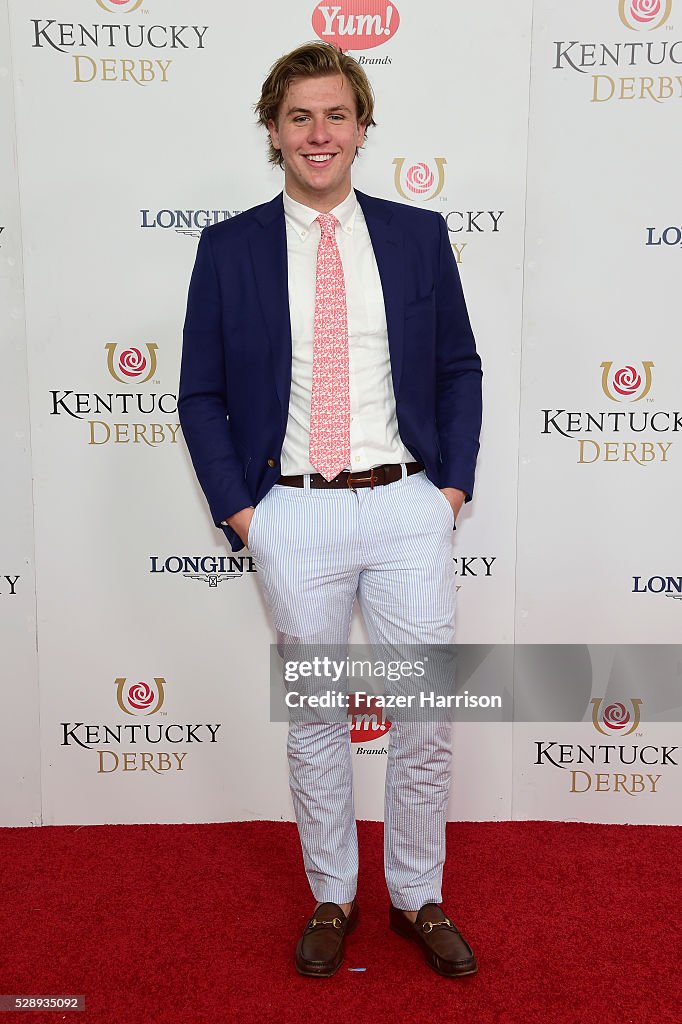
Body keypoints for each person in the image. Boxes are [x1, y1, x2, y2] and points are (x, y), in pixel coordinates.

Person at [178, 41, 483, 978]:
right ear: (274, 130)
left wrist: (451, 490)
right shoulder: (228, 247)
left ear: (362, 127)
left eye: (337, 115)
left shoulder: (416, 235)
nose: (320, 133)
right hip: (291, 513)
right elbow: (199, 395)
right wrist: (244, 513)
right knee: (315, 717)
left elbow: (458, 367)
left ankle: (418, 898)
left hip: (404, 506)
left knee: (425, 716)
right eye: (300, 116)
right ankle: (331, 895)